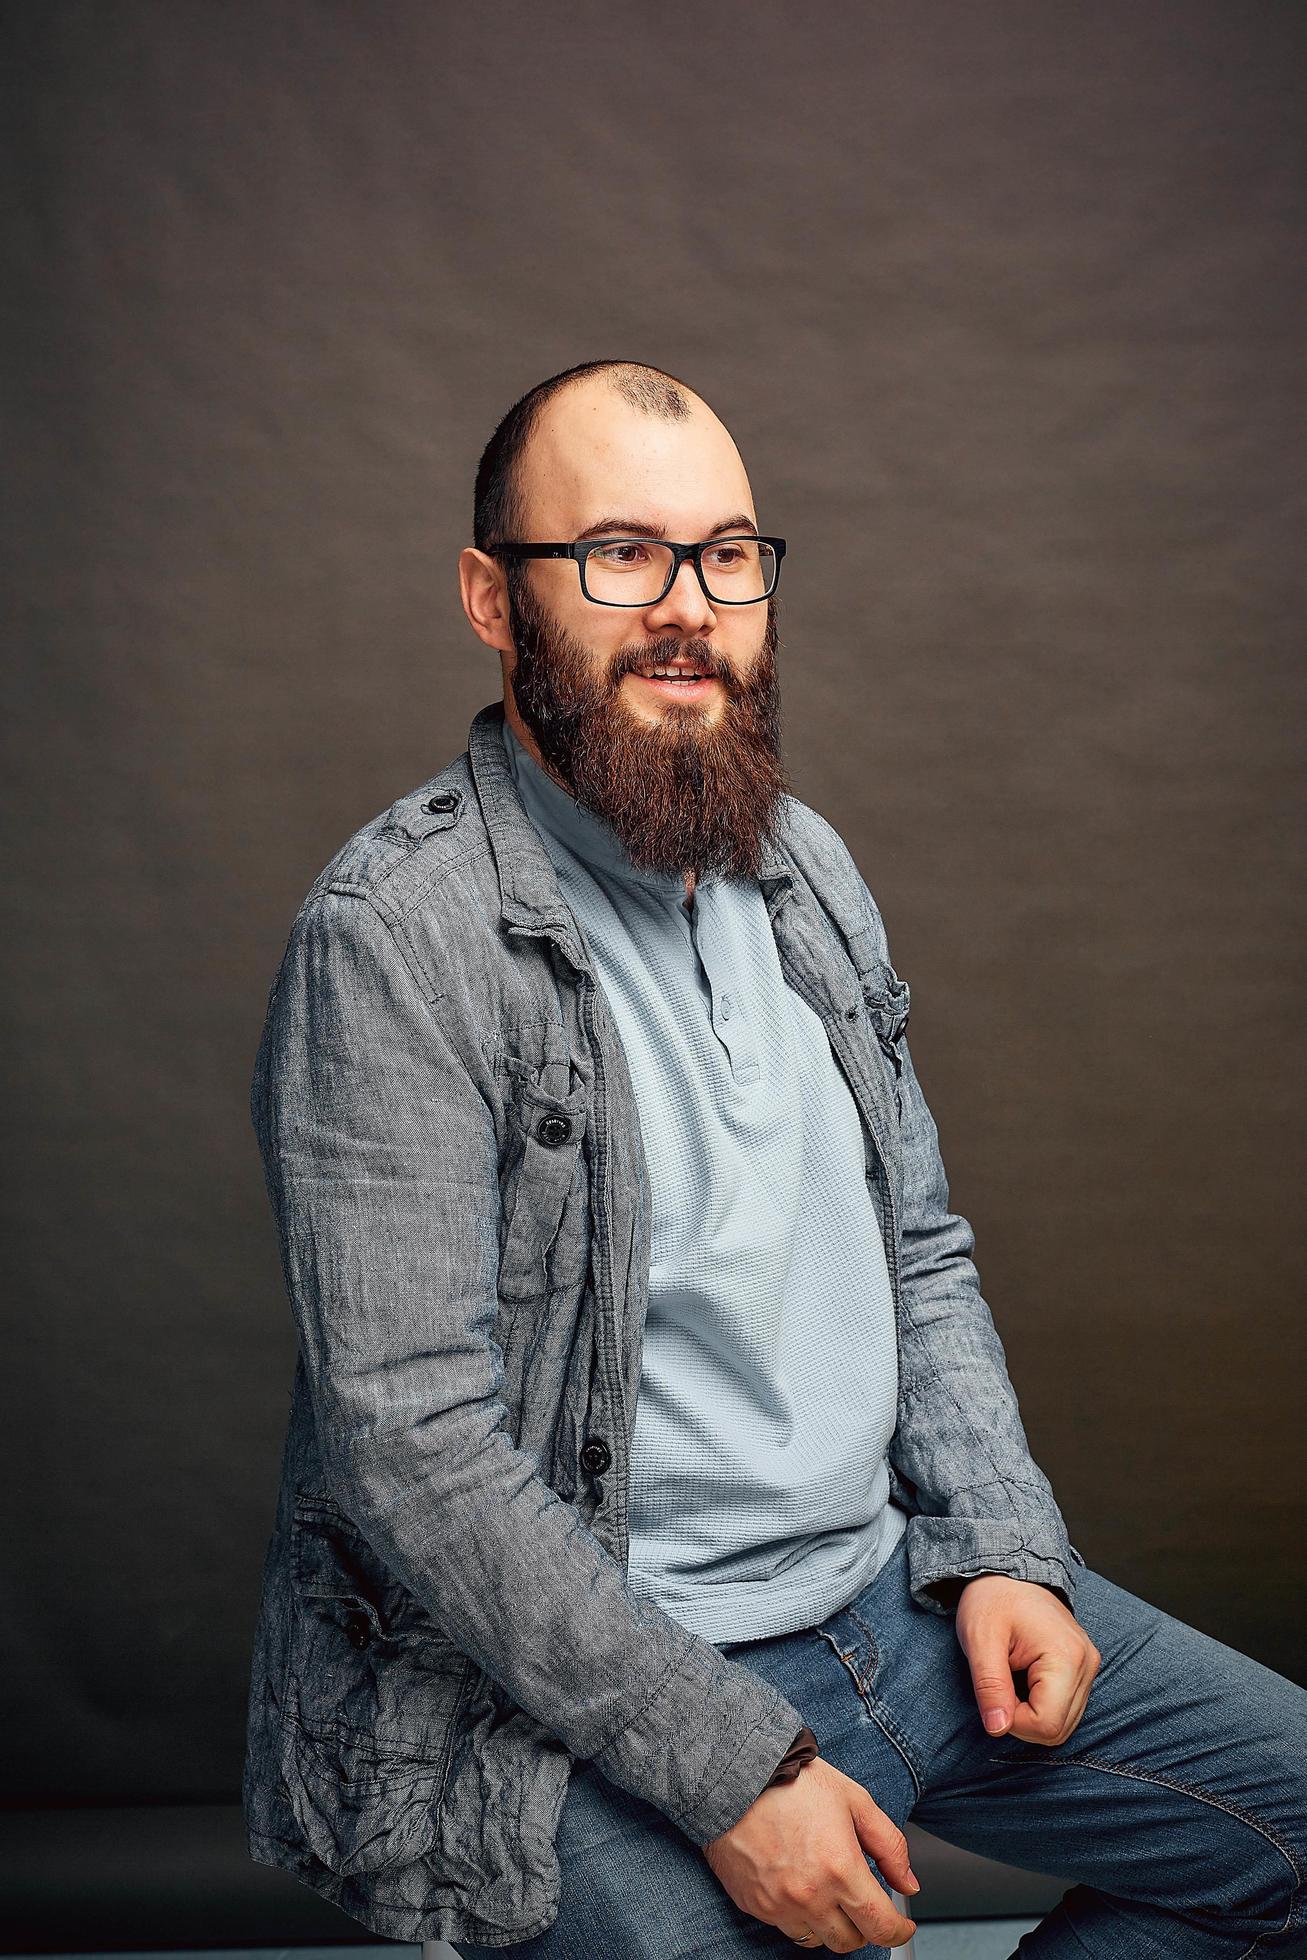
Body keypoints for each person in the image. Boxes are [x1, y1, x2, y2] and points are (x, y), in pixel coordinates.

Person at [243, 359, 1307, 1957]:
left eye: (726, 554)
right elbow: (410, 1444)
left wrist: (1002, 1549)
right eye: (619, 552)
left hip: (897, 1603)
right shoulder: (397, 936)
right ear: (491, 597)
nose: (688, 606)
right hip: (593, 1699)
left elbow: (918, 1246)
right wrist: (733, 1764)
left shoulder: (807, 869)